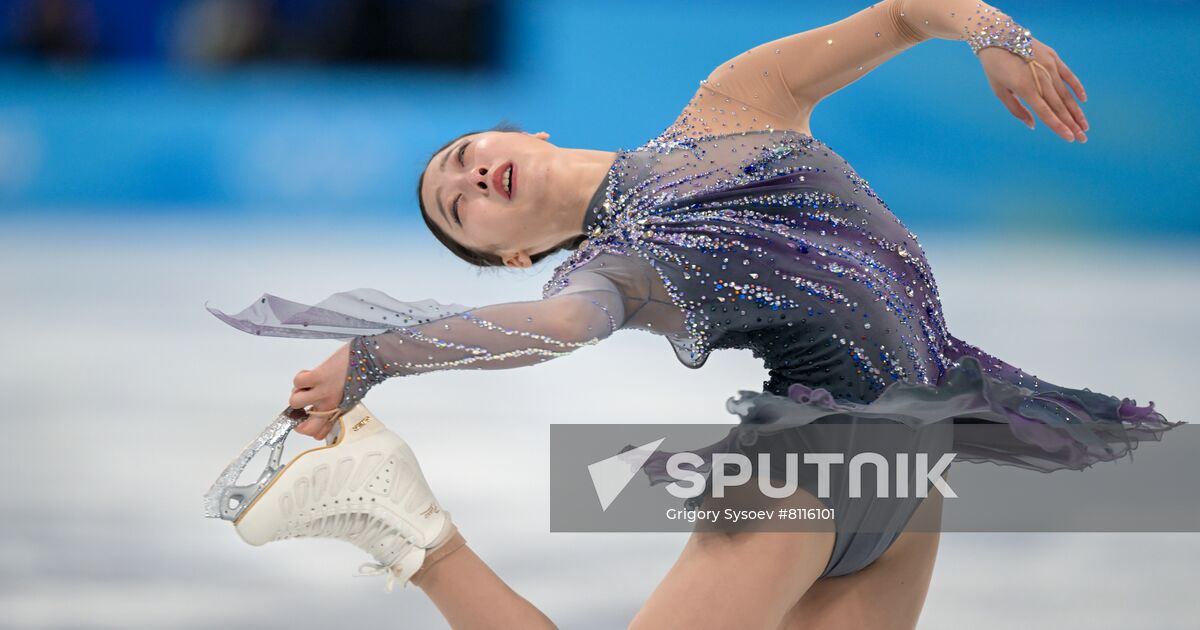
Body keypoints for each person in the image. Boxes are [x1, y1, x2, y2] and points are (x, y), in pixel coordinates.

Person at [208, 1, 1183, 628]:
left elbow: (899, 13)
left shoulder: (734, 99)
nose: (471, 176)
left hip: (909, 469)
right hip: (805, 471)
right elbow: (563, 329)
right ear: (511, 251)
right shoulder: (609, 269)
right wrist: (376, 358)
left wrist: (996, 36)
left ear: (520, 131)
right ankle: (413, 534)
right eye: (459, 205)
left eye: (465, 155)